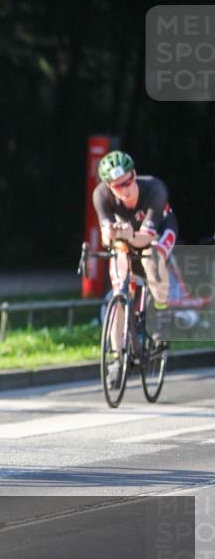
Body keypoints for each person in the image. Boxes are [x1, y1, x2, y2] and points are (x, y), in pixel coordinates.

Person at [93, 150, 178, 387]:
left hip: (158, 231)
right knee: (119, 287)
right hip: (128, 235)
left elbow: (144, 240)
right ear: (109, 187)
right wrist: (110, 235)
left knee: (152, 259)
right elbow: (106, 237)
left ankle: (160, 315)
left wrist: (129, 235)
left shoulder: (154, 189)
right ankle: (117, 358)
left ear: (134, 174)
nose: (125, 189)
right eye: (118, 186)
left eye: (129, 181)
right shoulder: (100, 195)